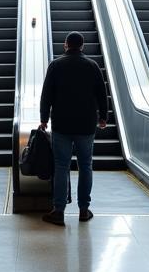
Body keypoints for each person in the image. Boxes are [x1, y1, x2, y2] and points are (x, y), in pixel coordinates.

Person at [38, 31, 109, 226]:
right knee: (86, 165)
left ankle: (59, 211)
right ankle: (84, 210)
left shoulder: (56, 65)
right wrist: (103, 117)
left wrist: (44, 118)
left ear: (65, 45)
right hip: (86, 125)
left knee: (61, 166)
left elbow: (47, 94)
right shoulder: (92, 66)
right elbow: (102, 94)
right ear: (82, 46)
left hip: (61, 124)